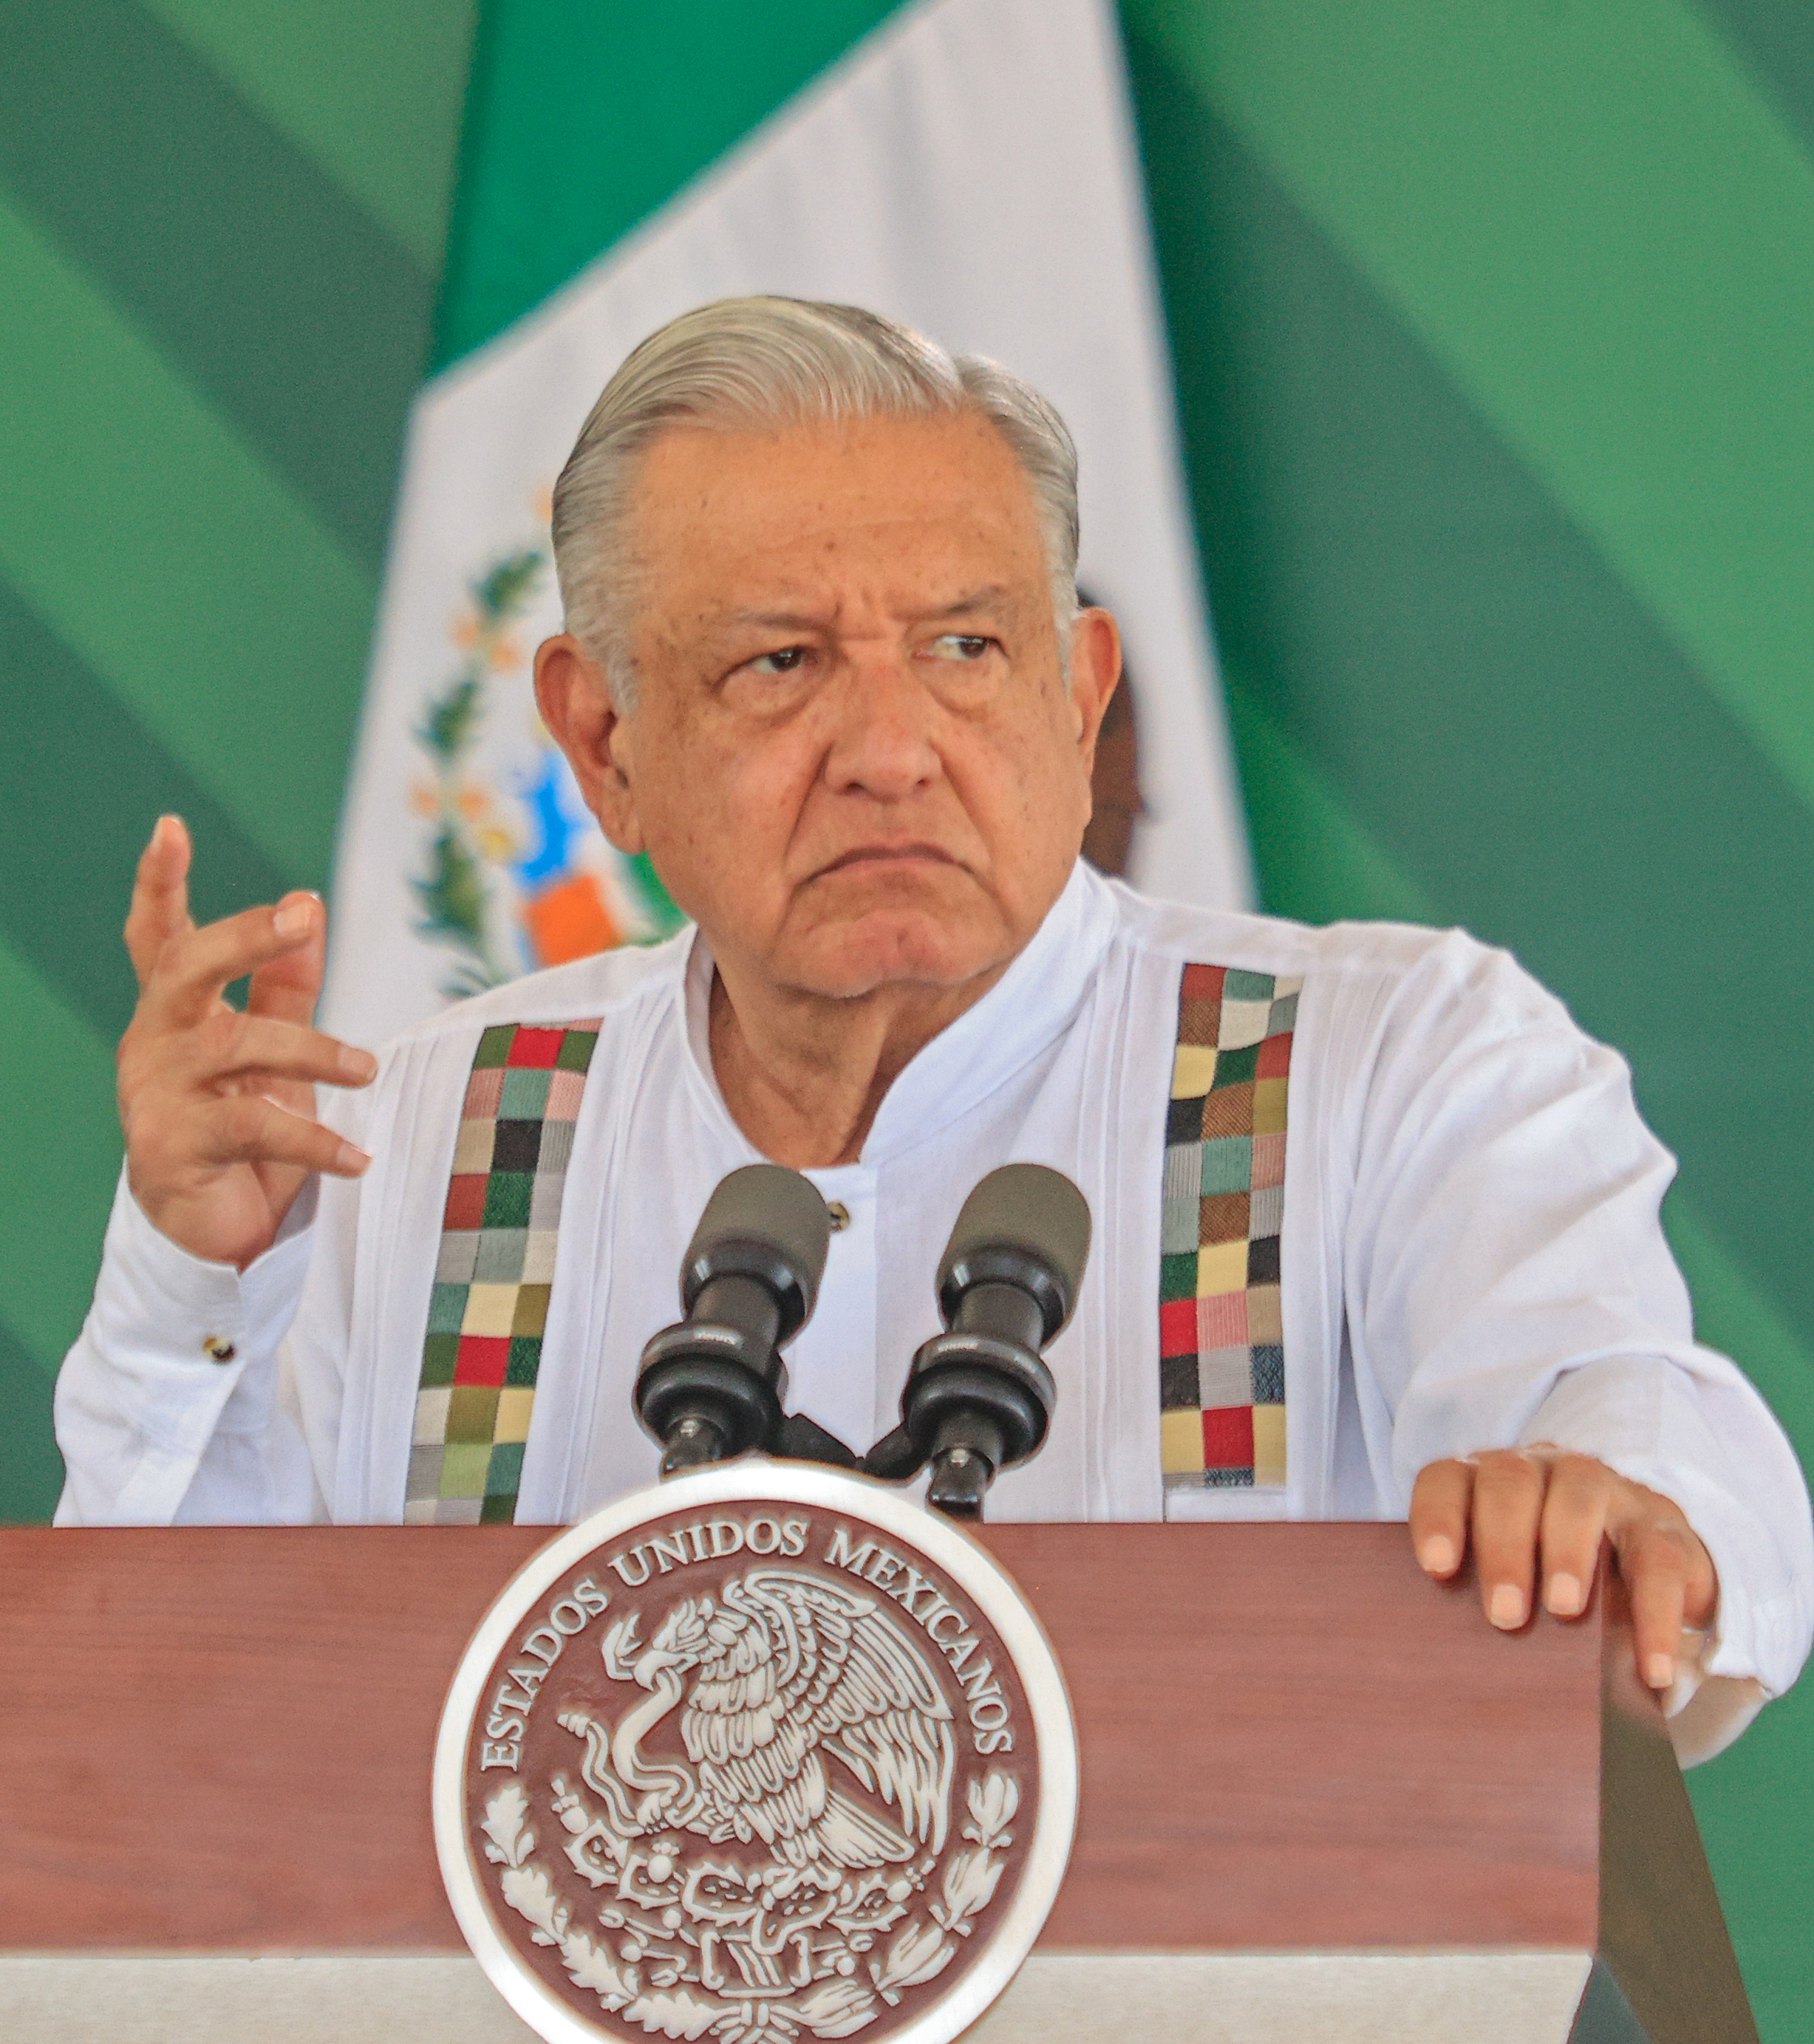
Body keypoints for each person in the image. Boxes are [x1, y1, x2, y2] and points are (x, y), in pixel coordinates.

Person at [56, 298, 1810, 1763]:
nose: (891, 746)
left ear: (1076, 692)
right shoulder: (422, 1131)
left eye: (967, 646)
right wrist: (197, 1284)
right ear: (603, 744)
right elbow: (167, 1732)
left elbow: (1620, 1409)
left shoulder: (1382, 1061)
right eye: (780, 664)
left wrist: (1617, 1506)